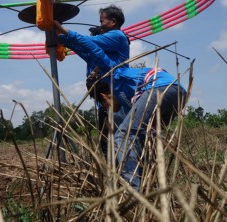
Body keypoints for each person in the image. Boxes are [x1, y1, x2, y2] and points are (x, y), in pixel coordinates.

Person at [55, 20, 187, 190]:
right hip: (178, 92)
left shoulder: (113, 73)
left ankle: (133, 191)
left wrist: (62, 31)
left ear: (105, 95)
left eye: (106, 104)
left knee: (122, 136)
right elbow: (84, 52)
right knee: (147, 137)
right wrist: (62, 41)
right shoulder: (129, 96)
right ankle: (150, 184)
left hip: (160, 88)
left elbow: (92, 48)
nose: (110, 109)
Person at [62, 5, 130, 156]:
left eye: (102, 21)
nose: (100, 25)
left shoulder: (117, 36)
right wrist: (61, 38)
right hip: (104, 100)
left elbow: (86, 42)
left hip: (115, 97)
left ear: (113, 21)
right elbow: (84, 49)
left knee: (116, 140)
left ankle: (122, 174)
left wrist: (61, 30)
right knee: (105, 142)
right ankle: (112, 174)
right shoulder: (99, 56)